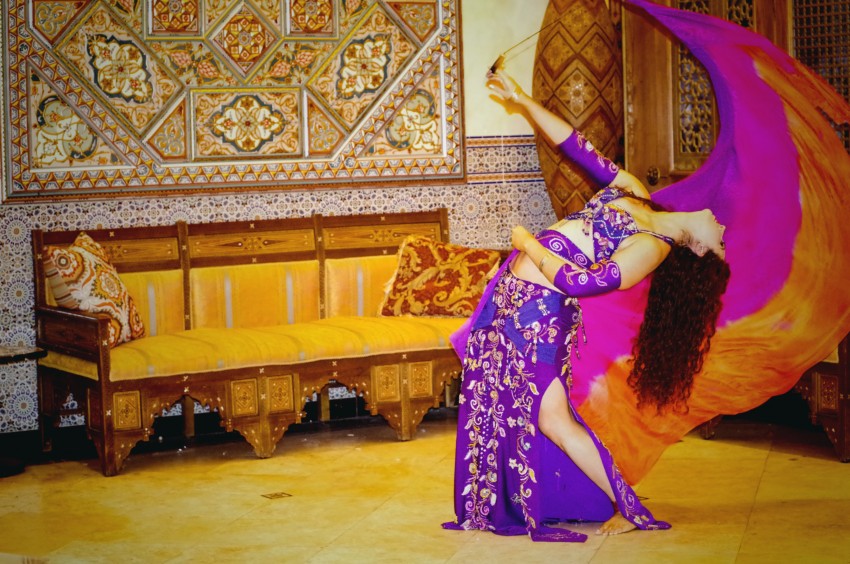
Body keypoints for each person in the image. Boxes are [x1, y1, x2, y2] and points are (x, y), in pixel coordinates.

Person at [442, 69, 731, 543]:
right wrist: (523, 101)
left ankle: (627, 507)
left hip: (538, 316)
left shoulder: (651, 248)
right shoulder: (637, 192)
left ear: (698, 251)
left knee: (551, 418)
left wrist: (528, 244)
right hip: (510, 298)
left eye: (720, 242)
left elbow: (582, 282)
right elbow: (577, 147)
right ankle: (610, 501)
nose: (722, 228)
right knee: (538, 414)